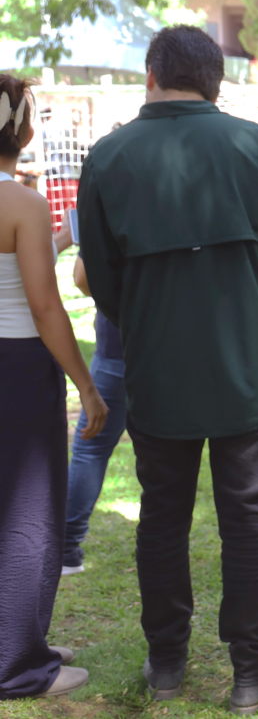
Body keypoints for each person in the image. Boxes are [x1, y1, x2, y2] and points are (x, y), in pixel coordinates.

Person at [77, 25, 258, 714]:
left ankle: (166, 663)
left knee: (162, 517)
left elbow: (102, 279)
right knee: (247, 520)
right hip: (246, 370)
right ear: (216, 83)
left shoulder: (107, 157)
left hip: (157, 370)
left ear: (150, 76)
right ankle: (251, 671)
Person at [0, 74, 108, 700]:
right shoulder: (23, 203)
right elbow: (45, 306)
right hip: (17, 368)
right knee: (27, 514)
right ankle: (17, 665)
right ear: (23, 130)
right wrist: (86, 386)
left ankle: (22, 640)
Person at [62, 257, 128, 575]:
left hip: (119, 345)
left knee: (91, 446)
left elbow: (81, 277)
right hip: (174, 346)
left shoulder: (106, 215)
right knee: (167, 452)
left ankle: (66, 548)